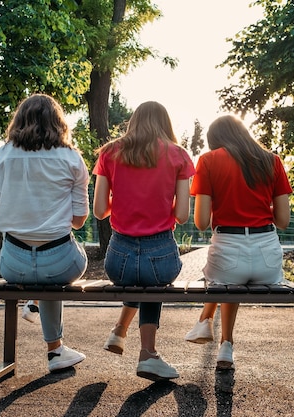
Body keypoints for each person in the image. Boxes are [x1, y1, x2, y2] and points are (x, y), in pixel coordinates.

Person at [0, 93, 90, 373]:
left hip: (13, 263)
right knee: (71, 260)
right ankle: (54, 351)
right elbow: (79, 220)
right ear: (58, 122)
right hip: (59, 263)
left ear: (19, 121)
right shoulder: (71, 158)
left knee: (42, 275)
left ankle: (51, 338)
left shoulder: (3, 155)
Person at [93, 101, 195, 381]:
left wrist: (125, 200)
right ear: (166, 123)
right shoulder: (179, 155)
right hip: (161, 254)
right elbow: (184, 215)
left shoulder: (110, 152)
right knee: (152, 280)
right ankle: (148, 353)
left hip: (118, 260)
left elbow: (100, 210)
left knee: (139, 276)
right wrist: (158, 204)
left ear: (133, 121)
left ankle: (120, 331)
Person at [184, 114, 292, 370]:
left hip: (228, 254)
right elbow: (283, 221)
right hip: (267, 259)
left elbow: (200, 222)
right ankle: (224, 343)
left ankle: (209, 325)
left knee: (222, 278)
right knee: (226, 280)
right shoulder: (272, 161)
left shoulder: (209, 160)